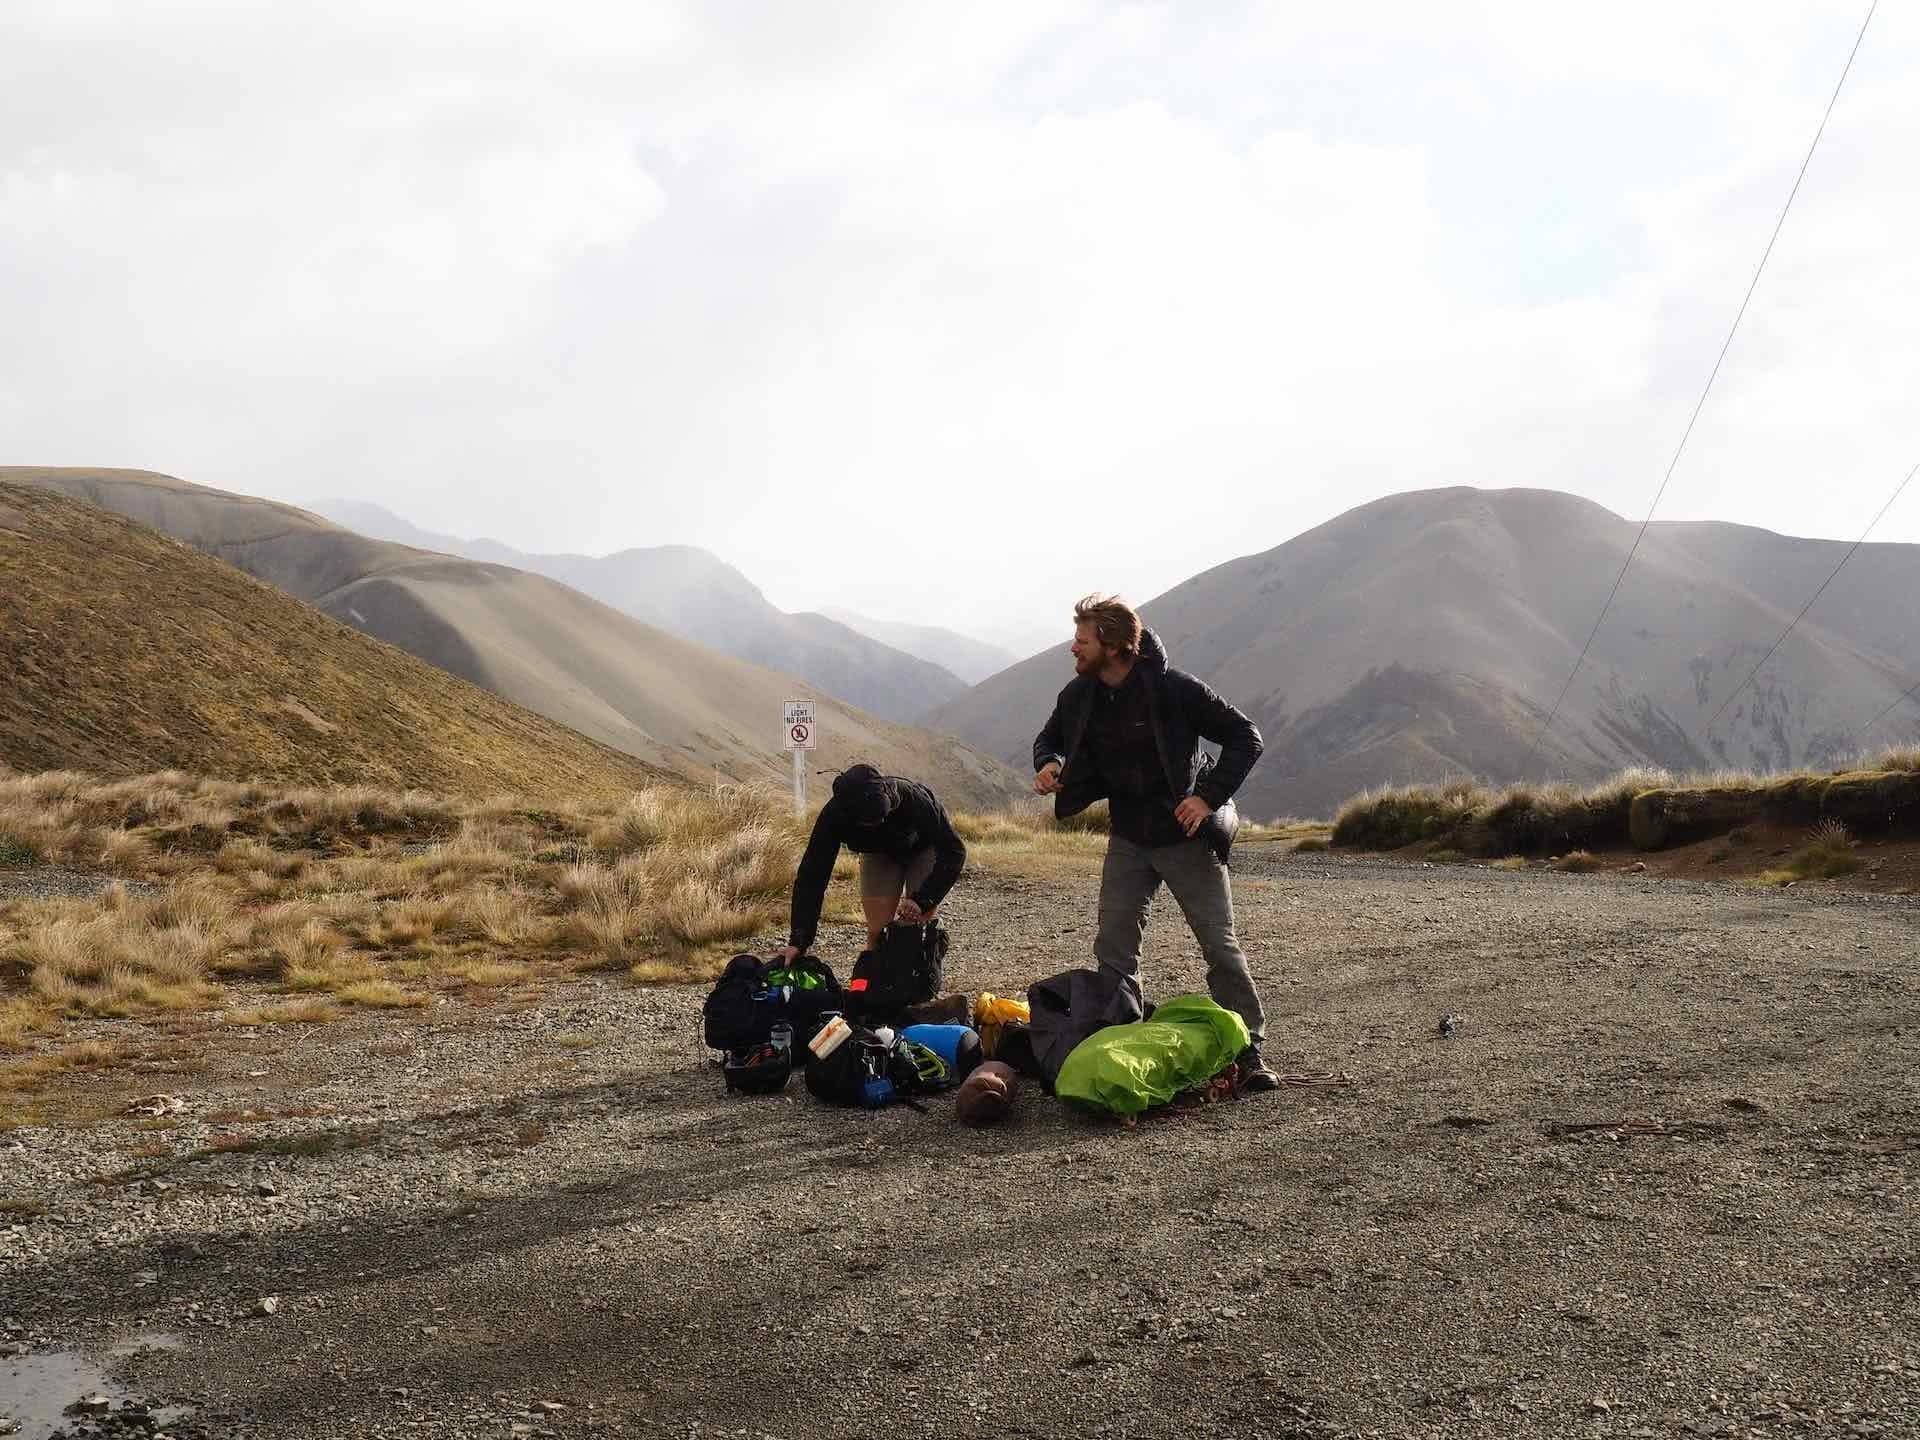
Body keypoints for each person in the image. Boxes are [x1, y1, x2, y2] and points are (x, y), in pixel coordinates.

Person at [1033, 594, 1281, 1092]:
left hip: (1184, 837)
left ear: (1114, 646)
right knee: (1115, 948)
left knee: (1219, 946)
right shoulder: (1079, 694)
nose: (1073, 648)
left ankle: (1248, 1049)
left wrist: (1207, 798)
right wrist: (1050, 763)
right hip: (1128, 836)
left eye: (1082, 640)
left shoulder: (1174, 689)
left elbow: (1245, 736)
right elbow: (1050, 737)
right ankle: (1120, 1046)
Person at [777, 763, 967, 962]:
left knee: (917, 926)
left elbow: (954, 851)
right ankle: (878, 979)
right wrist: (799, 940)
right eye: (870, 823)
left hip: (923, 848)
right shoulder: (834, 816)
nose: (879, 825)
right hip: (877, 853)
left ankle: (922, 971)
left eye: (882, 817)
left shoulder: (913, 797)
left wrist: (923, 900)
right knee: (877, 931)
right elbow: (813, 875)